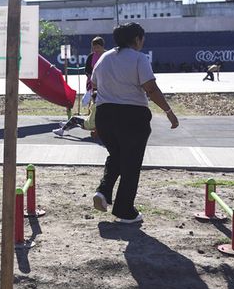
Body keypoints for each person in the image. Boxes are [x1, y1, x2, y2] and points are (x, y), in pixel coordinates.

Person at [91, 23, 178, 223]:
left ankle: (103, 191)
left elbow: (95, 85)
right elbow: (151, 89)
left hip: (104, 115)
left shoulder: (104, 58)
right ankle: (124, 210)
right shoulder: (139, 58)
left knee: (117, 155)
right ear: (137, 39)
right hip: (132, 116)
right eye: (142, 39)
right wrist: (168, 111)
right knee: (131, 164)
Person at [54, 36, 105, 136]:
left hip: (89, 123)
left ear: (102, 46)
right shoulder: (91, 57)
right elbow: (88, 71)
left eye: (98, 47)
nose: (96, 50)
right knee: (93, 108)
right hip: (94, 86)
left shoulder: (107, 56)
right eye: (94, 47)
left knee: (81, 117)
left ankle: (64, 129)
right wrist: (92, 85)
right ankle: (68, 125)